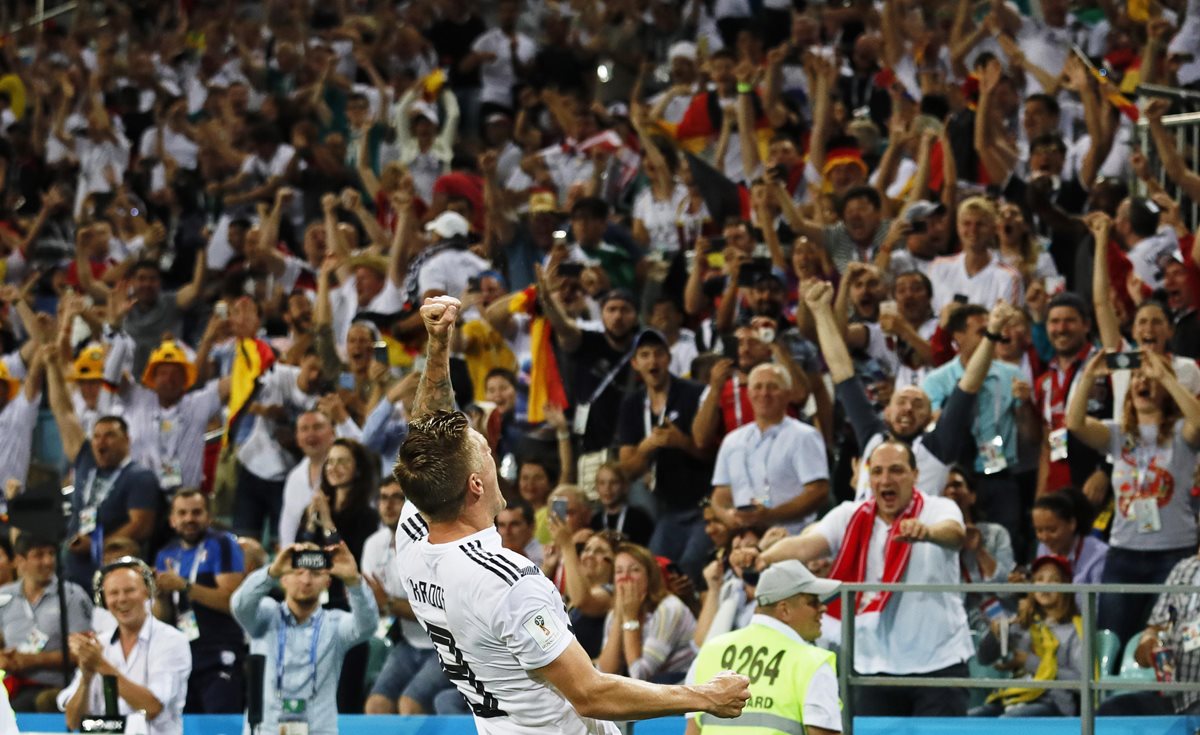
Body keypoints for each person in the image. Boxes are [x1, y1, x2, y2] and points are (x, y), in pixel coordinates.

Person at [393, 294, 750, 733]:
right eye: (485, 451)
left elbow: (427, 440)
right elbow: (590, 693)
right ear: (476, 485)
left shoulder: (413, 533)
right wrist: (704, 696)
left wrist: (438, 341)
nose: (492, 451)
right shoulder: (506, 580)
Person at [762, 440, 974, 717]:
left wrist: (928, 532)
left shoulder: (937, 509)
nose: (886, 479)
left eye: (896, 470)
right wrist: (760, 556)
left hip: (938, 663)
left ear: (915, 475)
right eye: (877, 472)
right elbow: (804, 546)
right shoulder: (850, 515)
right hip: (873, 666)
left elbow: (955, 534)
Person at [1065, 348, 1200, 646]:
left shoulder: (1181, 431)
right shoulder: (1118, 434)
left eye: (1150, 376)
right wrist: (1088, 376)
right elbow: (1074, 424)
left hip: (1173, 554)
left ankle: (1160, 695)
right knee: (1110, 641)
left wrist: (1165, 374)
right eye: (1137, 376)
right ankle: (1110, 695)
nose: (1144, 381)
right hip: (1123, 553)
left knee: (1164, 643)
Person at [230, 541, 378, 735]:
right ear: (283, 579)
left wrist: (354, 582)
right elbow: (239, 606)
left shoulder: (335, 625)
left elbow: (368, 625)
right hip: (265, 730)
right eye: (298, 572)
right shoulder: (265, 615)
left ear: (327, 582)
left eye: (315, 574)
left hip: (318, 731)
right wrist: (271, 572)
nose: (306, 580)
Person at [46, 344, 163, 589]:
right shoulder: (86, 458)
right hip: (74, 568)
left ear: (127, 440)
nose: (101, 441)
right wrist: (51, 366)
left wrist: (98, 545)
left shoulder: (140, 476)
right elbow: (63, 411)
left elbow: (141, 526)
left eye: (110, 435)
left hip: (114, 569)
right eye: (97, 435)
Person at [686, 560, 842, 735]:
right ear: (784, 610)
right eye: (813, 602)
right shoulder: (813, 662)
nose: (823, 608)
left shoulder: (709, 653)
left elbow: (693, 731)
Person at [617, 328, 712, 579]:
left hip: (703, 504)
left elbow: (710, 452)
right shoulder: (631, 405)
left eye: (658, 354)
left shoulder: (695, 393)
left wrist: (681, 442)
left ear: (669, 358)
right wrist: (649, 445)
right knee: (656, 571)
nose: (653, 361)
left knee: (690, 566)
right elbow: (627, 469)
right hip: (667, 508)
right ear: (635, 363)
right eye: (645, 355)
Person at [59, 558, 192, 735]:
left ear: (147, 592)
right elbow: (73, 721)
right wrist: (86, 677)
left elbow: (152, 708)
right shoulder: (100, 644)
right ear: (104, 600)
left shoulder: (172, 641)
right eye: (113, 593)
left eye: (129, 591)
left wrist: (100, 665)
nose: (122, 599)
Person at [152, 489, 247, 714]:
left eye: (196, 512)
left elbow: (233, 602)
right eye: (182, 513)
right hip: (181, 659)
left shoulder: (222, 544)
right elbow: (162, 617)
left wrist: (184, 585)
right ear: (172, 520)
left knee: (220, 729)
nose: (189, 519)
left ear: (208, 516)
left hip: (218, 653)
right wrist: (161, 597)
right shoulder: (166, 553)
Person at [710, 363, 830, 534]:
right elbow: (720, 495)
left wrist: (770, 515)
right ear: (749, 393)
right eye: (758, 387)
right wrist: (730, 516)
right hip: (744, 540)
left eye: (773, 387)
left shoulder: (804, 436)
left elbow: (818, 492)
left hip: (793, 536)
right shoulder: (732, 440)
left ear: (788, 394)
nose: (764, 394)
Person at [971, 555, 1084, 718]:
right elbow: (984, 658)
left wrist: (1029, 662)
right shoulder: (1022, 623)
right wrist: (995, 635)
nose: (1045, 585)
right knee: (971, 720)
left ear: (1066, 585)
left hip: (1052, 703)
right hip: (1013, 697)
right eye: (1039, 579)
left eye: (1053, 580)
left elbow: (1080, 679)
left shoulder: (1075, 630)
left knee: (1007, 723)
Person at [1098, 540, 1200, 716]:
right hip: (1170, 696)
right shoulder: (1184, 569)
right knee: (1111, 710)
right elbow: (1154, 628)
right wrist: (1148, 647)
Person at [362, 480, 437, 715]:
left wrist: (388, 603)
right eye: (383, 498)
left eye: (397, 498)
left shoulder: (433, 545)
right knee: (375, 705)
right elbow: (373, 604)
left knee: (409, 704)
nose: (389, 505)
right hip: (408, 642)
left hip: (445, 647)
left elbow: (437, 615)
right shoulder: (374, 544)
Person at [0, 535, 93, 712]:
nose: (48, 561)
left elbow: (83, 652)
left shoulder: (71, 595)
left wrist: (33, 660)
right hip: (11, 684)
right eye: (39, 555)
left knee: (30, 704)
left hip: (58, 687)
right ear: (21, 560)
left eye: (51, 554)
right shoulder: (4, 596)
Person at [597, 542, 698, 683]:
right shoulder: (615, 613)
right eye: (619, 571)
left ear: (650, 577)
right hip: (653, 691)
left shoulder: (668, 608)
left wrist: (629, 618)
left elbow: (640, 674)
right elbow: (604, 673)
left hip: (682, 685)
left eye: (634, 570)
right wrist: (620, 615)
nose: (625, 577)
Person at [942, 467, 1015, 632]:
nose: (951, 490)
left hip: (1000, 623)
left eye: (957, 485)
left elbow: (1008, 591)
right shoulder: (932, 542)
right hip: (952, 628)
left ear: (972, 496)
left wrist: (980, 551)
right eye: (945, 487)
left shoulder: (996, 534)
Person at [1029, 489, 1107, 587]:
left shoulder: (1099, 555)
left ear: (1072, 524)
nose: (1045, 537)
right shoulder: (1043, 548)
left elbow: (1099, 600)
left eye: (1052, 530)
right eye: (1039, 530)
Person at [589, 462, 654, 546]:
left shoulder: (639, 518)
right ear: (597, 488)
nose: (607, 488)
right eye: (602, 483)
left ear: (625, 487)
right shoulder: (595, 521)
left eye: (614, 482)